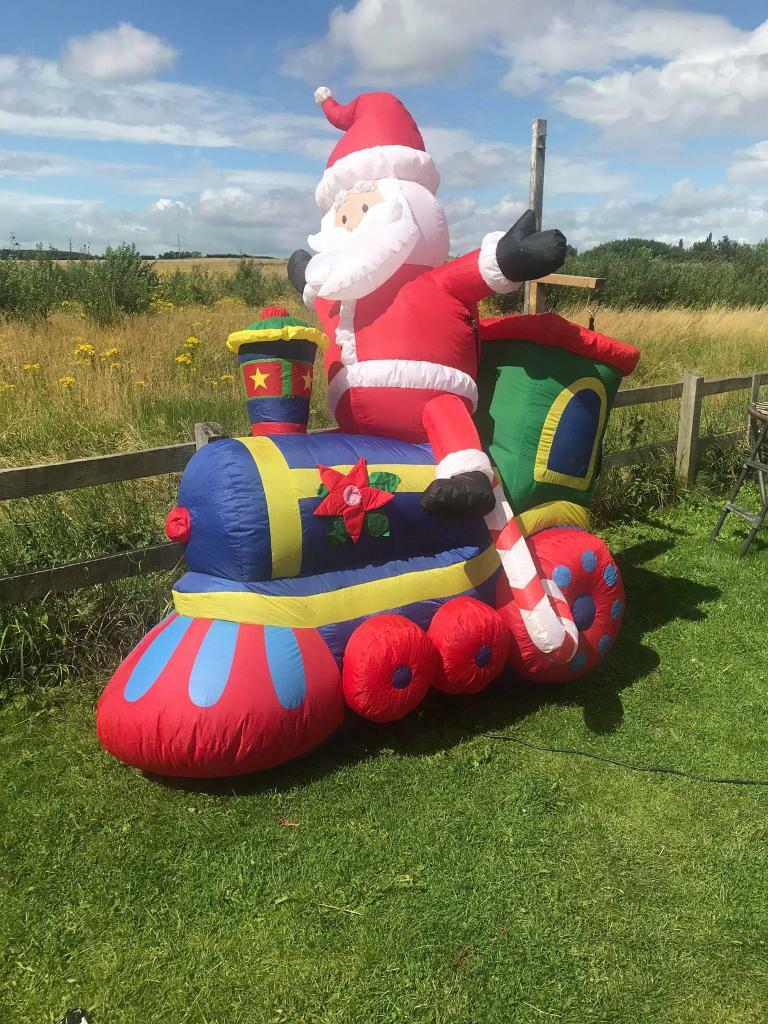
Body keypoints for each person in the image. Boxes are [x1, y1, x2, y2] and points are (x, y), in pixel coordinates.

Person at [288, 87, 567, 519]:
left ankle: (467, 477)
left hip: (432, 397)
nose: (351, 221)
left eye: (364, 208)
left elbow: (473, 273)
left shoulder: (431, 282)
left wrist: (511, 257)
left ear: (410, 205)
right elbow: (321, 292)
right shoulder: (341, 286)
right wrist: (306, 275)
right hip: (352, 415)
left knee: (443, 410)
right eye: (344, 215)